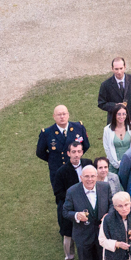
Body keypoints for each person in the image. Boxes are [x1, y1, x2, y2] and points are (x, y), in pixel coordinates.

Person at [36, 103, 90, 242]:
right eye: (59, 114)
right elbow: (40, 152)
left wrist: (76, 157)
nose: (62, 116)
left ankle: (83, 220)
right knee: (62, 198)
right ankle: (65, 228)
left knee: (81, 194)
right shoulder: (47, 133)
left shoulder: (78, 127)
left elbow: (86, 145)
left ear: (68, 115)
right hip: (58, 172)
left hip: (77, 169)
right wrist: (54, 162)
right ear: (54, 116)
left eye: (64, 113)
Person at [62, 162, 111, 260]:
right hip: (83, 235)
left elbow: (112, 205)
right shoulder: (72, 191)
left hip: (102, 234)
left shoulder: (105, 187)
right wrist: (77, 215)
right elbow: (65, 211)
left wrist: (107, 216)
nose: (90, 179)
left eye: (92, 176)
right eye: (87, 177)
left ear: (97, 176)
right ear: (81, 177)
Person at [51, 140, 91, 260]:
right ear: (68, 153)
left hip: (88, 205)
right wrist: (74, 201)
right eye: (73, 152)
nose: (76, 155)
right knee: (68, 236)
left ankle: (89, 259)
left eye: (79, 151)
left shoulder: (88, 164)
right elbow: (58, 192)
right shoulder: (61, 171)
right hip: (69, 208)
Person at [97, 57, 131, 126]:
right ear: (112, 69)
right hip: (115, 122)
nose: (119, 72)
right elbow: (101, 103)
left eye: (121, 68)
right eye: (116, 69)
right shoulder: (105, 85)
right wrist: (115, 106)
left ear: (125, 67)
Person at [102, 104, 131, 178]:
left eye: (124, 114)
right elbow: (107, 148)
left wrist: (128, 163)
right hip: (113, 164)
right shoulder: (107, 130)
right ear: (114, 115)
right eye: (119, 114)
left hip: (129, 164)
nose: (121, 117)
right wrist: (116, 164)